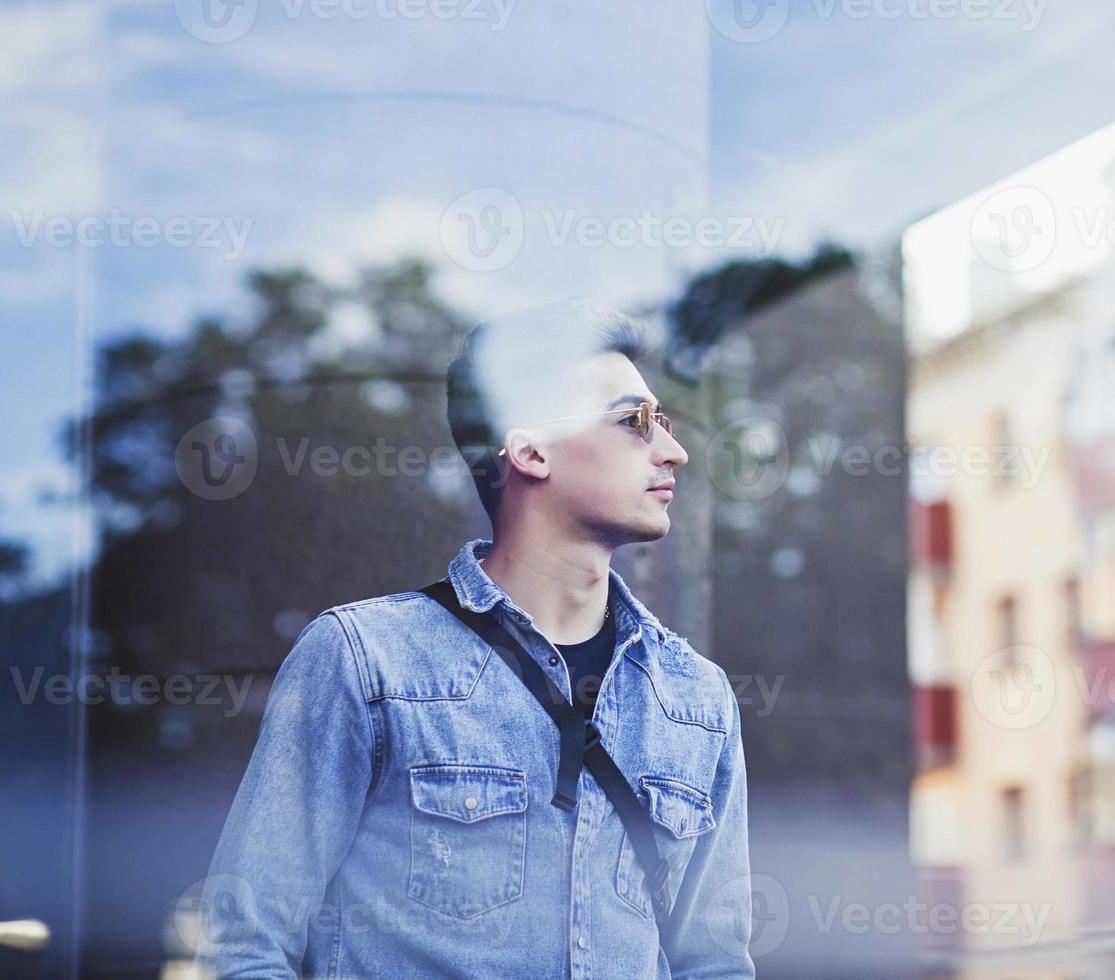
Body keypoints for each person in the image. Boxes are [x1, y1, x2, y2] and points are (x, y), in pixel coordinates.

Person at [197, 299, 755, 978]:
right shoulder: (364, 661)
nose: (674, 449)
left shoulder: (697, 696)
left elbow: (714, 965)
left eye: (662, 423)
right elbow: (247, 948)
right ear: (529, 450)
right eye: (634, 421)